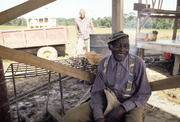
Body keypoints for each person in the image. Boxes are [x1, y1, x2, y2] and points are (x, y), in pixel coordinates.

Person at [64, 31, 152, 122]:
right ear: (110, 47)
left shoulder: (138, 63)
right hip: (108, 100)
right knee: (71, 116)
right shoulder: (104, 63)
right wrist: (98, 116)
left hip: (131, 103)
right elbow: (97, 92)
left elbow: (143, 93)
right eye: (118, 46)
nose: (122, 49)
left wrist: (122, 108)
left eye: (126, 46)